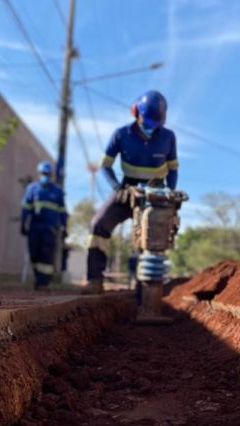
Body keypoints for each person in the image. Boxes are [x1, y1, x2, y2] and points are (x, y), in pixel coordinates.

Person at [85, 90, 179, 294]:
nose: (150, 128)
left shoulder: (168, 138)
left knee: (150, 240)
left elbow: (172, 170)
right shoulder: (121, 135)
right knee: (98, 225)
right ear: (136, 113)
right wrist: (117, 188)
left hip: (155, 194)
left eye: (156, 125)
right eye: (147, 122)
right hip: (127, 190)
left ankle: (144, 290)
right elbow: (105, 166)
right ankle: (94, 280)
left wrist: (170, 195)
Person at [21, 162, 67, 290]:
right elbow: (26, 208)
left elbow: (63, 211)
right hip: (34, 228)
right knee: (34, 254)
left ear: (51, 175)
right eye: (43, 174)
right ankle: (38, 278)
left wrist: (64, 227)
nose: (45, 176)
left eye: (47, 174)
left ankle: (43, 283)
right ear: (39, 174)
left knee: (46, 256)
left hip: (50, 229)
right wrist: (23, 223)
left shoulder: (57, 192)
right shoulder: (32, 189)